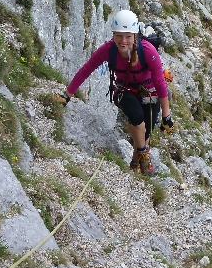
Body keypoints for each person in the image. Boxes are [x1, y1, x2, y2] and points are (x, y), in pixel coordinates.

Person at [56, 9, 174, 175]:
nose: (123, 41)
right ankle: (144, 156)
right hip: (124, 89)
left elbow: (161, 84)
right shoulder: (108, 50)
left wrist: (166, 116)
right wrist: (67, 94)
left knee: (145, 130)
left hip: (149, 91)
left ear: (135, 36)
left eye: (128, 36)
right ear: (113, 34)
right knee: (136, 117)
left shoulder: (148, 51)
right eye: (119, 36)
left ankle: (135, 163)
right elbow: (86, 69)